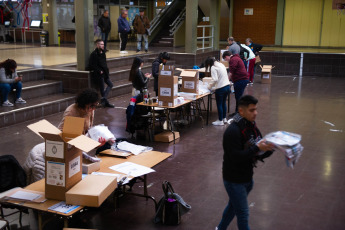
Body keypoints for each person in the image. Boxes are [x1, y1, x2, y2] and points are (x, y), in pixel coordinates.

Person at [216, 95, 274, 230]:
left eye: (256, 109)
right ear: (241, 111)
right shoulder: (233, 131)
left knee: (233, 207)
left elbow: (258, 150)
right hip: (234, 180)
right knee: (242, 213)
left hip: (247, 178)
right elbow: (236, 157)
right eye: (252, 110)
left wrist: (272, 148)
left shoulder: (250, 127)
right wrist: (257, 148)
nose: (256, 113)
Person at [58, 88, 114, 157]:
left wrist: (100, 140)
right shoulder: (72, 112)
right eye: (91, 106)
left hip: (81, 145)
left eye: (95, 106)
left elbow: (88, 131)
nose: (93, 109)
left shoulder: (90, 111)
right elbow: (63, 135)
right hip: (69, 148)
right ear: (83, 103)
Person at [204, 57, 231, 126]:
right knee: (223, 103)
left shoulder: (213, 67)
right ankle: (224, 119)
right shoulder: (221, 64)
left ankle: (220, 120)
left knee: (219, 104)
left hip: (221, 88)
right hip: (227, 86)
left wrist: (209, 86)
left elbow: (215, 79)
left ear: (209, 63)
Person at [89, 39, 114, 108]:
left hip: (105, 73)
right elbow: (91, 65)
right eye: (101, 44)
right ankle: (106, 102)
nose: (103, 46)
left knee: (110, 84)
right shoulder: (94, 54)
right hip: (99, 74)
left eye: (103, 44)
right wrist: (99, 70)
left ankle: (104, 99)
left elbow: (104, 63)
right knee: (102, 90)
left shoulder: (103, 53)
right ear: (97, 45)